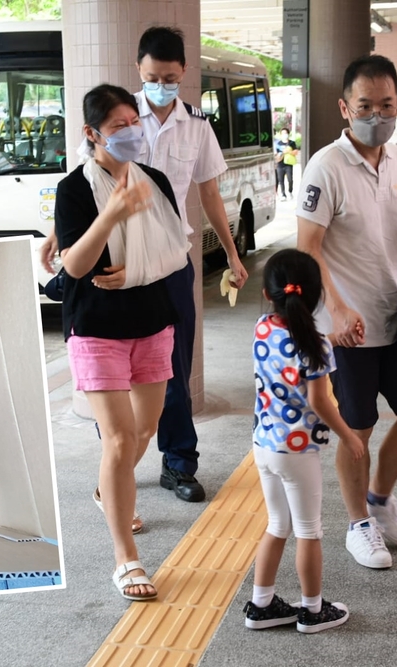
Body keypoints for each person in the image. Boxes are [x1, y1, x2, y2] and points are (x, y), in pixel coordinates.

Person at [296, 54, 397, 570]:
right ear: (345, 107)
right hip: (347, 330)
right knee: (355, 430)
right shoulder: (326, 166)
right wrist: (335, 309)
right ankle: (358, 524)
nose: (377, 115)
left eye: (386, 105)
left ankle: (380, 501)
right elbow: (307, 246)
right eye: (366, 106)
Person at [39, 84, 190, 601]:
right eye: (118, 125)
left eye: (135, 122)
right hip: (97, 327)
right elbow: (76, 266)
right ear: (92, 134)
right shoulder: (76, 190)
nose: (131, 131)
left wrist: (139, 270)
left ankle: (110, 490)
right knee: (120, 439)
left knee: (145, 430)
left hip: (153, 320)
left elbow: (177, 253)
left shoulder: (158, 181)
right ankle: (126, 559)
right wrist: (114, 213)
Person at [134, 26, 249, 503]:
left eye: (171, 77)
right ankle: (116, 464)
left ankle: (179, 463)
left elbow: (209, 193)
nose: (162, 84)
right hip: (121, 267)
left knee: (176, 367)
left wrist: (232, 252)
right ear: (138, 70)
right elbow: (86, 180)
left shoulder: (197, 124)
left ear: (184, 74)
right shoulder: (119, 117)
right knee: (121, 369)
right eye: (152, 76)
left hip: (174, 266)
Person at [244, 248, 364, 634]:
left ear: (268, 293)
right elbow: (319, 399)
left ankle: (261, 605)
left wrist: (331, 341)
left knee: (277, 525)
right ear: (317, 297)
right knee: (309, 531)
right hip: (297, 452)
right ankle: (312, 611)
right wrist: (348, 436)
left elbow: (292, 350)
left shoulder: (263, 327)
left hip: (264, 446)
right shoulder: (317, 346)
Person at [275, 128, 299, 201]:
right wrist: (281, 154)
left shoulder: (292, 143)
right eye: (283, 133)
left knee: (290, 179)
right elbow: (276, 155)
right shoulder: (278, 144)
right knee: (281, 180)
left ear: (288, 134)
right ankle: (283, 194)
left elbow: (295, 152)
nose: (284, 135)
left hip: (288, 164)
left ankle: (290, 191)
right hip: (280, 164)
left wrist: (288, 151)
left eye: (286, 133)